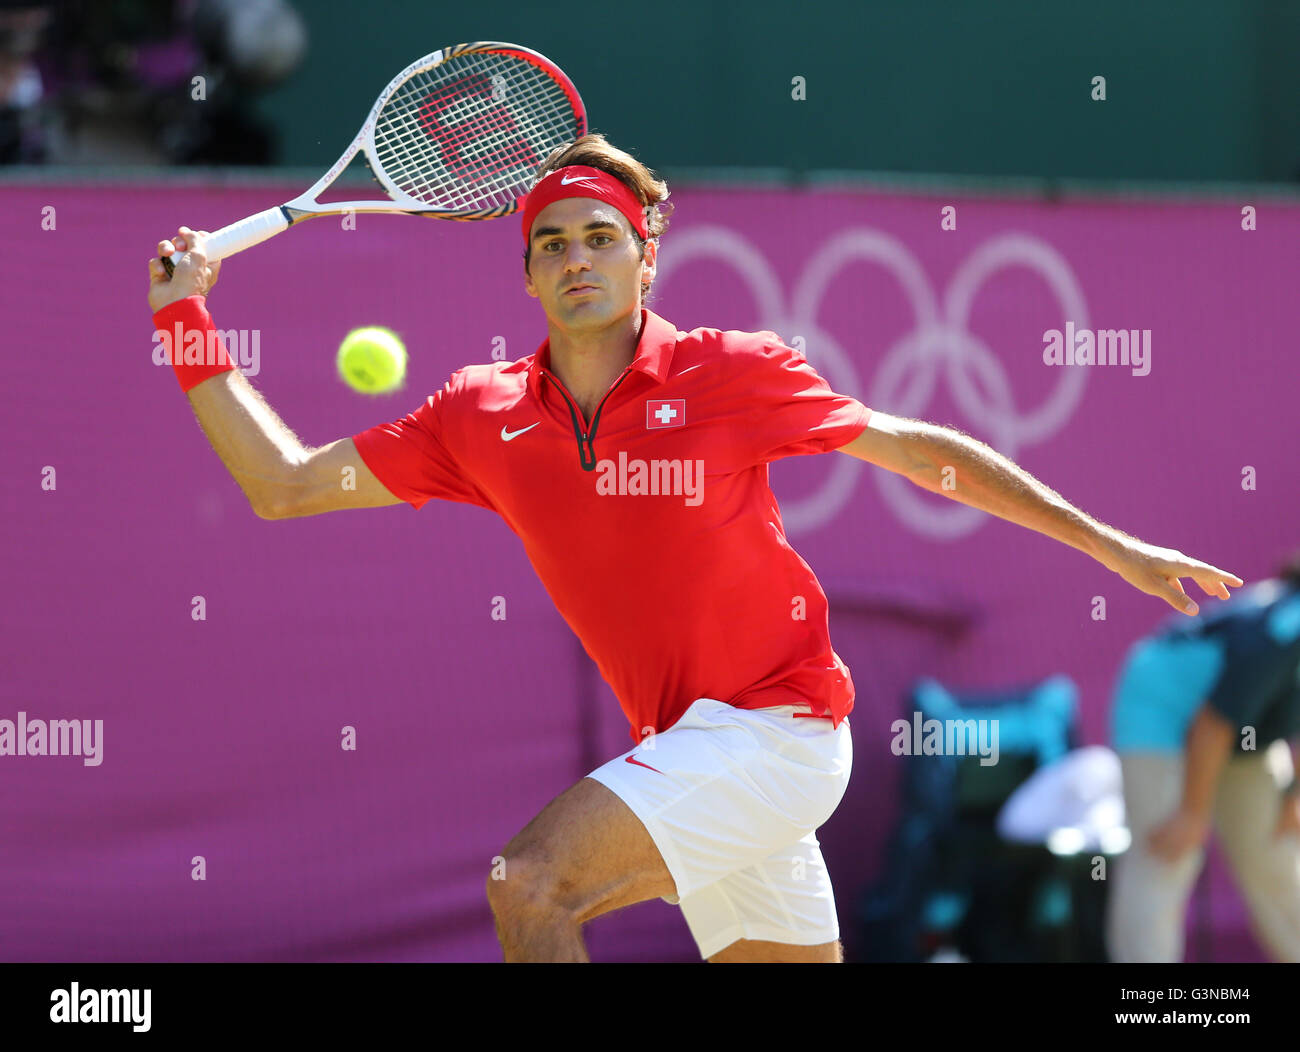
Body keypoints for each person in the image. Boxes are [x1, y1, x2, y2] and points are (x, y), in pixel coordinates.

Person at [146, 133, 1242, 963]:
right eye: (552, 244)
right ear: (526, 276)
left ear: (645, 255)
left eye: (600, 237)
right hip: (690, 747)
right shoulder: (477, 417)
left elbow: (918, 450)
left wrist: (1111, 544)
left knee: (527, 884)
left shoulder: (729, 372)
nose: (576, 259)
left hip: (777, 733)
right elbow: (283, 484)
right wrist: (187, 322)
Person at [1107, 551, 1300, 962]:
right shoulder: (1286, 627)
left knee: (1278, 856)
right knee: (1166, 861)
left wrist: (1294, 794)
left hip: (1244, 732)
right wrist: (1192, 812)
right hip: (1164, 710)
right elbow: (1213, 723)